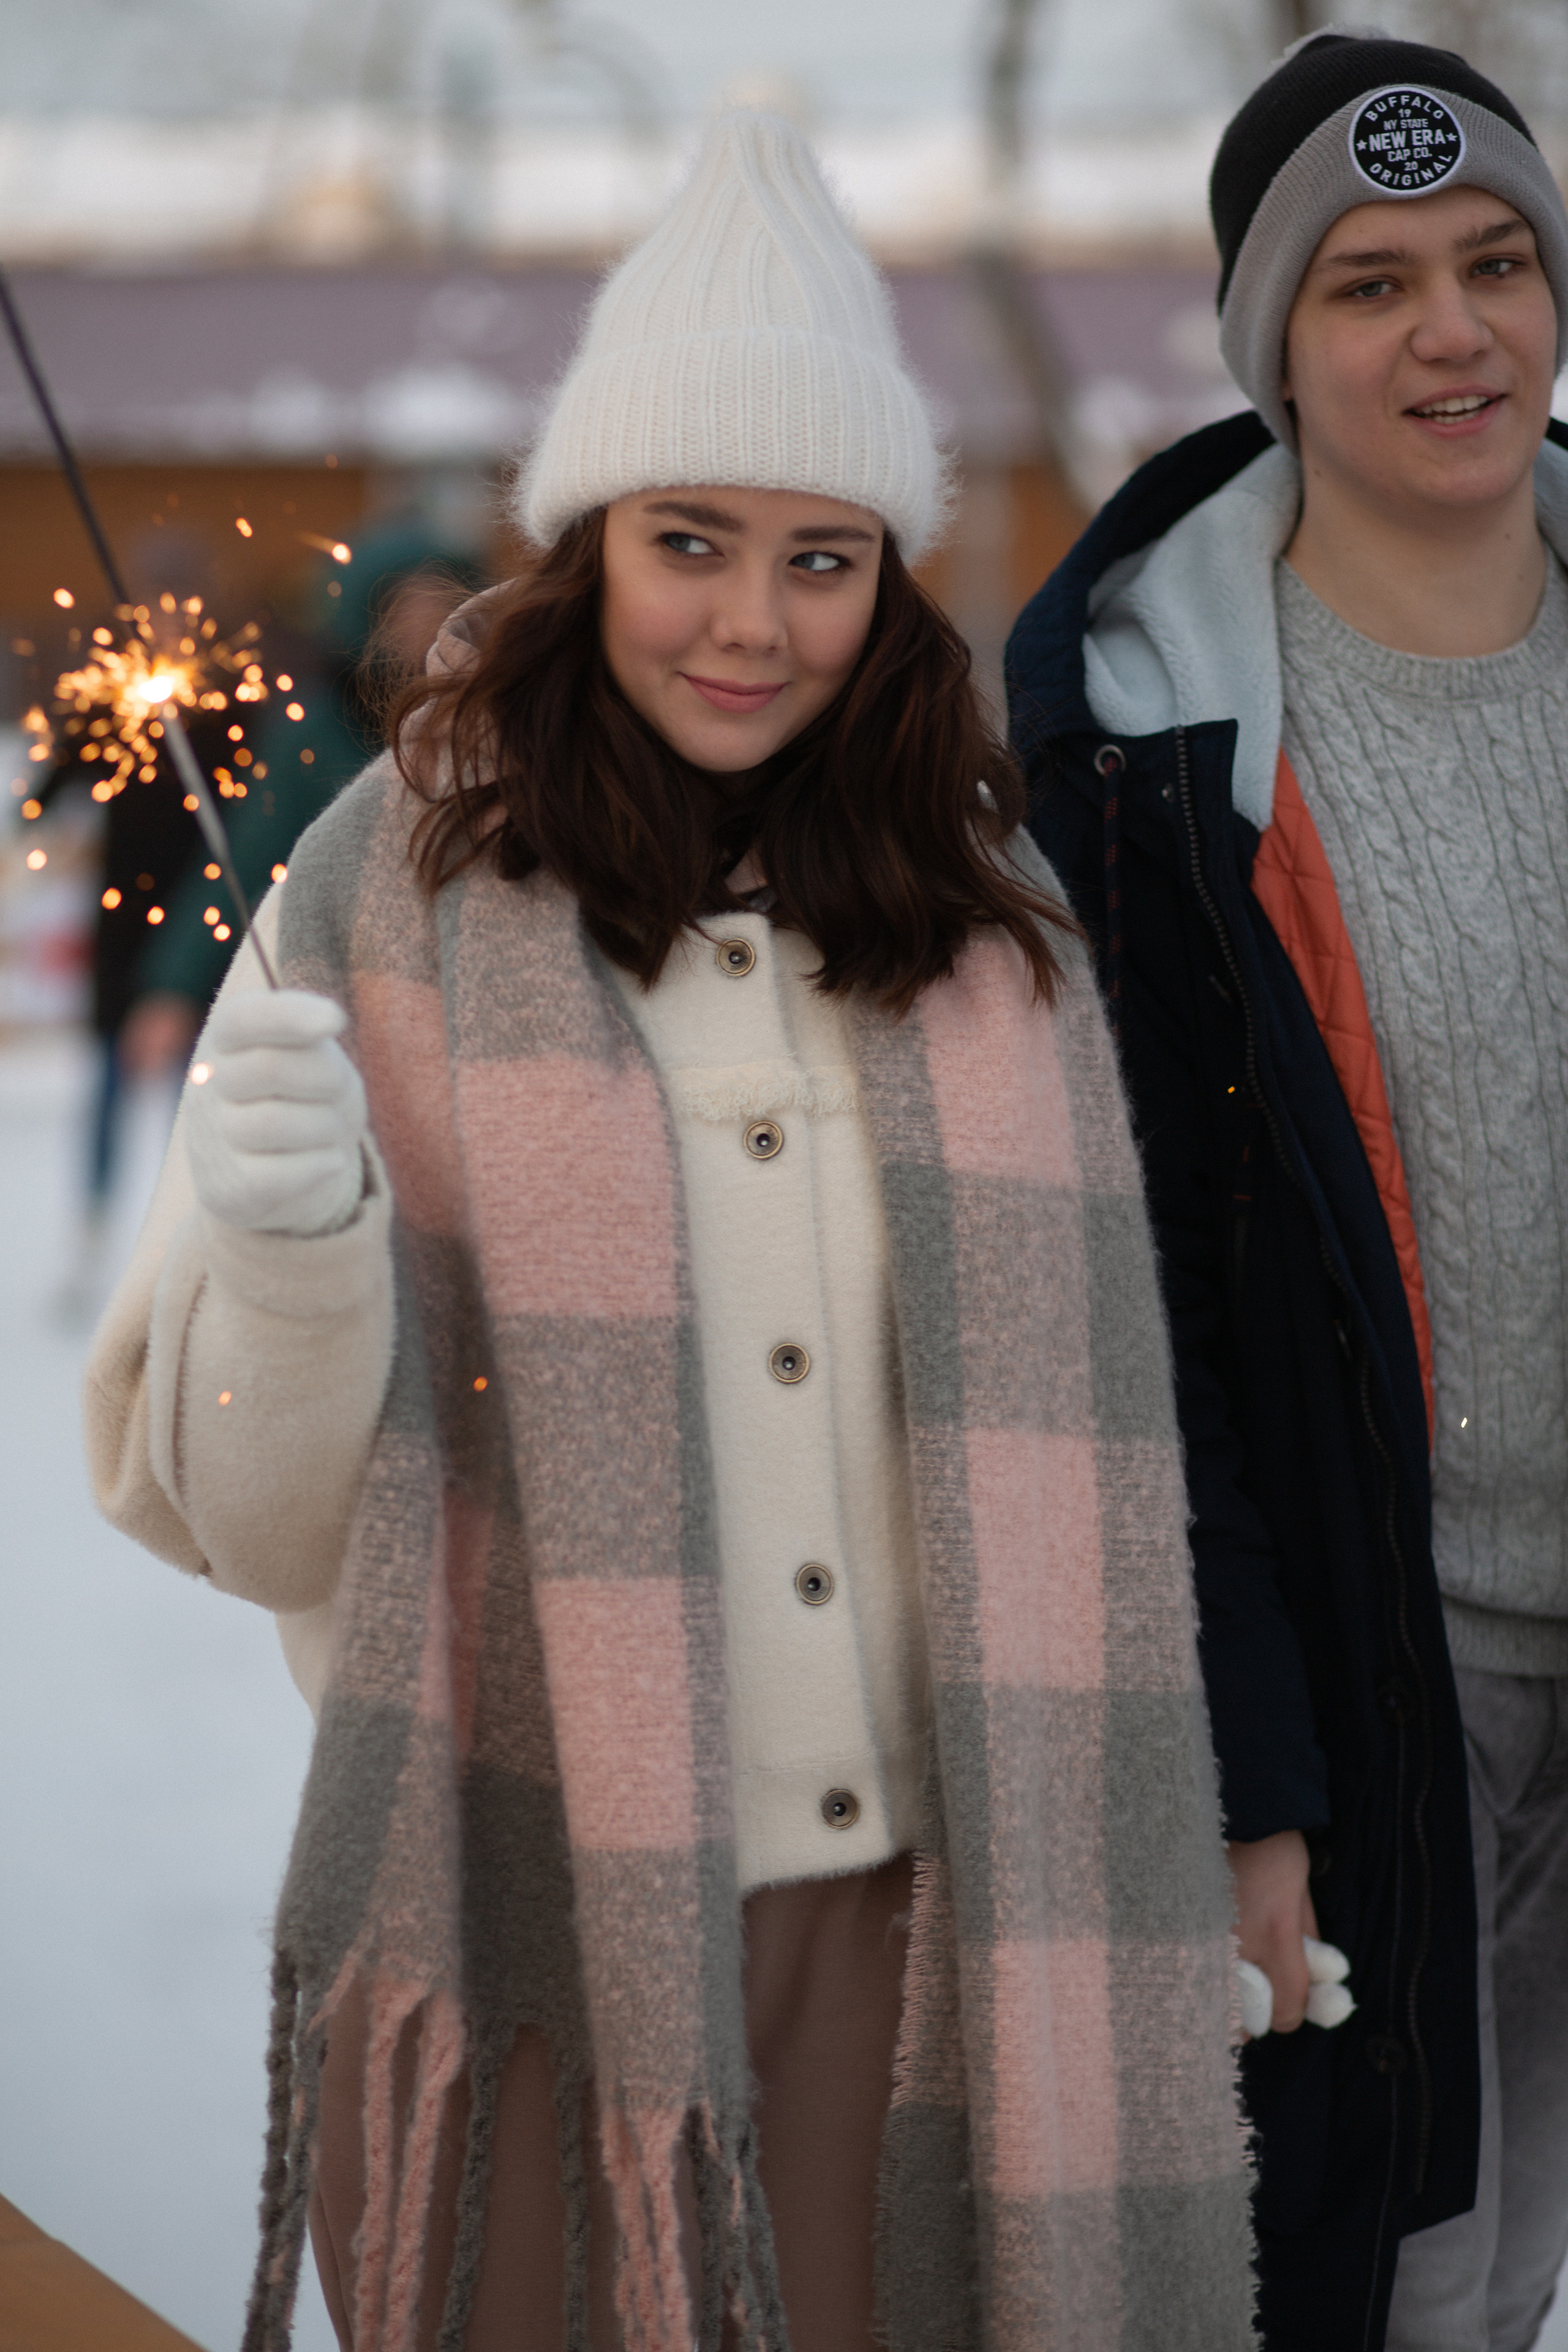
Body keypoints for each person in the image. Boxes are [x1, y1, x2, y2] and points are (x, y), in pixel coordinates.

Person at [83, 114, 1256, 2352]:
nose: (752, 619)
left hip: (940, 1947)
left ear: (890, 575)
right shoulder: (379, 906)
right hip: (538, 1922)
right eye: (691, 539)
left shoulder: (991, 929)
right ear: (588, 536)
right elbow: (244, 1518)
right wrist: (292, 1241)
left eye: (823, 557)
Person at [1009, 29, 1568, 2352]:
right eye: (1370, 284)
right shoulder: (1147, 769)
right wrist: (1244, 1775)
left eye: (1499, 262)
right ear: (1272, 343)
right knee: (1401, 2294)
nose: (1453, 331)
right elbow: (1134, 1326)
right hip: (1379, 1682)